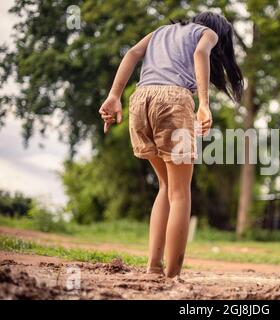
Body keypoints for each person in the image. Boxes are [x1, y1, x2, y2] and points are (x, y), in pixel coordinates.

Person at [98, 11, 243, 278]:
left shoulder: (161, 32)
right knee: (180, 193)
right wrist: (204, 104)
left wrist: (114, 95)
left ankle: (154, 267)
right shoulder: (207, 33)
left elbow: (131, 53)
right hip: (173, 100)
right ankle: (173, 275)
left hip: (140, 100)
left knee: (166, 186)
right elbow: (200, 55)